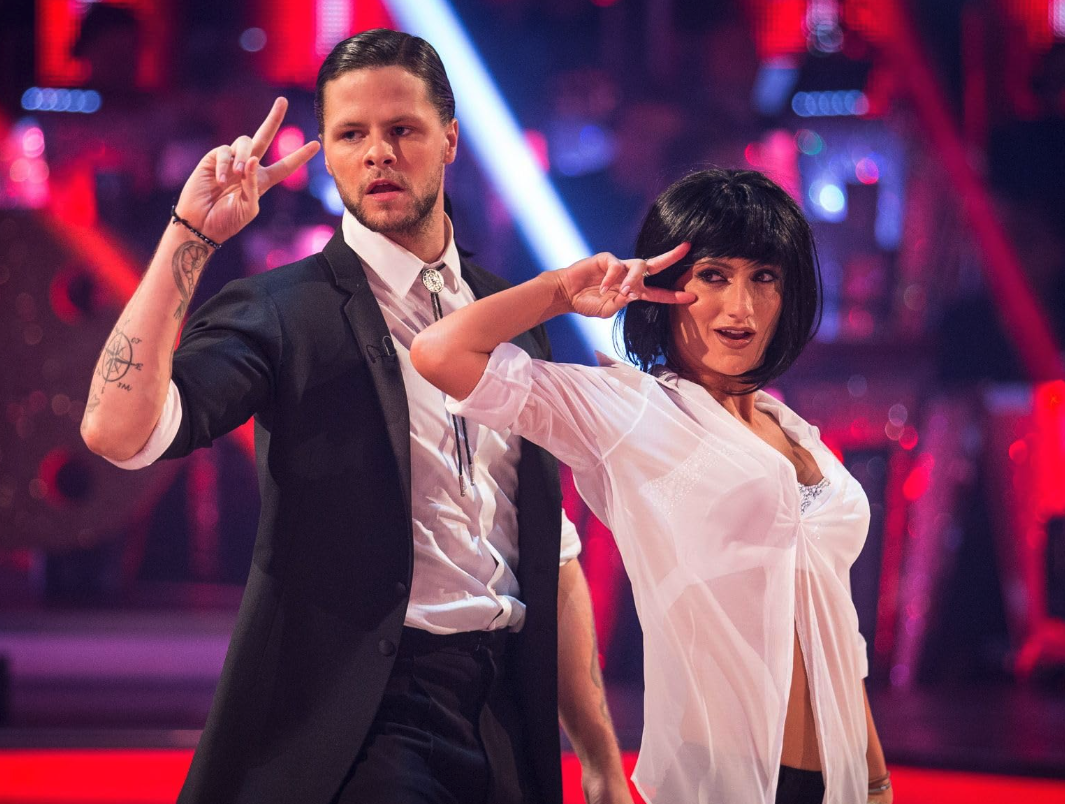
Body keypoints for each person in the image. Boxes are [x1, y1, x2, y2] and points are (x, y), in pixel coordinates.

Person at [80, 28, 630, 804]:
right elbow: (117, 432)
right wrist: (190, 236)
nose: (377, 154)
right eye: (351, 135)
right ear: (328, 155)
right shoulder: (280, 311)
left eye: (401, 129)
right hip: (367, 717)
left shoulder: (511, 314)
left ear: (450, 140)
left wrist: (600, 762)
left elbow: (550, 550)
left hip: (504, 709)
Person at [412, 168, 893, 804]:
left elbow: (834, 630)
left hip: (846, 777)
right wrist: (562, 289)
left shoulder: (793, 430)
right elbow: (438, 353)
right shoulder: (630, 412)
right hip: (725, 779)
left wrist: (877, 780)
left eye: (764, 277)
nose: (741, 307)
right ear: (667, 286)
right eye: (714, 276)